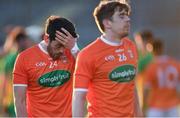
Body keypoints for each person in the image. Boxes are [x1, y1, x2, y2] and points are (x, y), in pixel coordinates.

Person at [72, 1, 142, 117]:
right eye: (121, 16)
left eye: (127, 15)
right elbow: (78, 98)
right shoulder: (88, 54)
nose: (128, 19)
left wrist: (139, 115)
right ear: (107, 23)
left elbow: (131, 86)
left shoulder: (131, 47)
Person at [13, 15, 79, 117]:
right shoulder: (24, 58)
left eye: (64, 46)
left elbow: (92, 73)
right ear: (46, 38)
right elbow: (19, 102)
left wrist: (74, 48)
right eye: (58, 46)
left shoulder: (73, 53)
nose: (62, 50)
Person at [143, 39, 180, 117]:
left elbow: (146, 90)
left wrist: (144, 107)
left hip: (156, 106)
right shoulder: (175, 64)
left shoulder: (151, 67)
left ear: (151, 49)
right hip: (172, 105)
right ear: (163, 48)